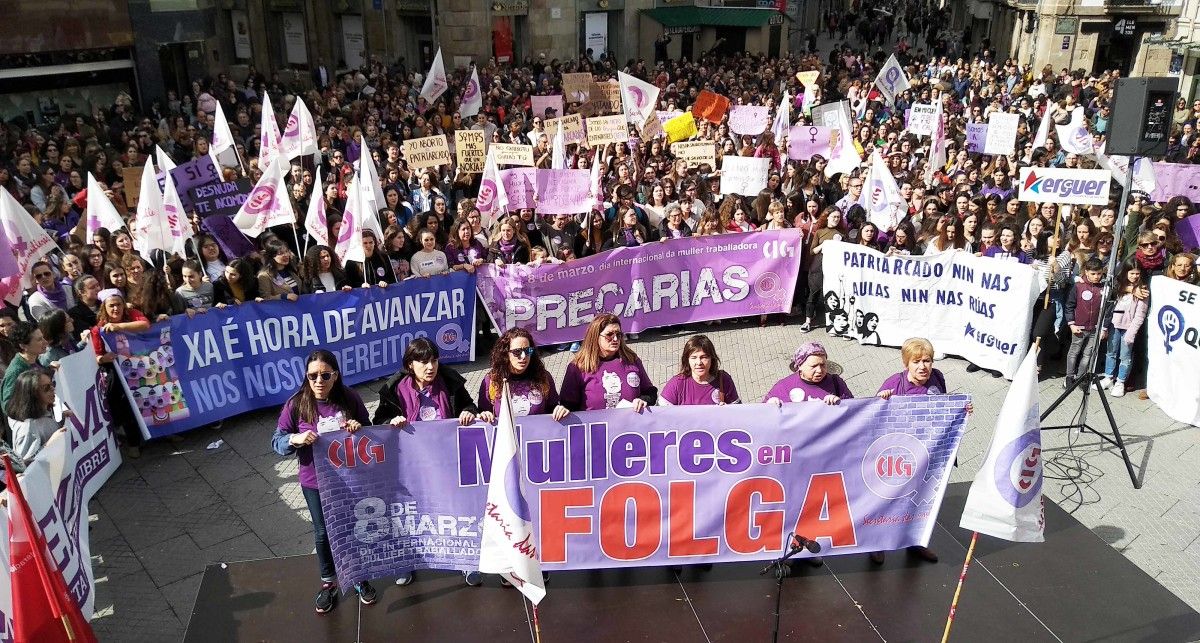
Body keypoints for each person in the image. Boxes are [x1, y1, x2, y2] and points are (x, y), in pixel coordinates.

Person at [271, 350, 378, 613]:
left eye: (325, 375)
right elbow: (277, 441)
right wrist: (294, 439)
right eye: (313, 376)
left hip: (348, 479)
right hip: (314, 480)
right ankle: (328, 582)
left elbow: (369, 429)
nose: (319, 381)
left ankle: (357, 576)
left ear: (336, 376)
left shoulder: (349, 397)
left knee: (352, 525)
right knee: (322, 532)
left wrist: (358, 427)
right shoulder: (296, 404)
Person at [372, 338, 481, 587]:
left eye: (433, 359)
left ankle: (466, 563)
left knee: (456, 511)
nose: (430, 366)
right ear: (410, 364)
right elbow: (378, 420)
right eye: (423, 361)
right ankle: (406, 562)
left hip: (447, 464)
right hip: (410, 467)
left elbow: (468, 404)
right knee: (410, 515)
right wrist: (392, 419)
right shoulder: (394, 389)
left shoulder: (450, 382)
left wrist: (468, 412)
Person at [872, 337, 969, 564]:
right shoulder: (894, 383)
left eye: (927, 360)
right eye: (917, 361)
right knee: (891, 499)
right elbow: (875, 417)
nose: (923, 366)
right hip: (901, 455)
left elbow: (944, 406)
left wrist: (961, 409)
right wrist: (881, 399)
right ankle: (877, 544)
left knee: (922, 500)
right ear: (907, 363)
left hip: (928, 453)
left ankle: (915, 541)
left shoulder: (938, 378)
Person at [90, 288, 151, 456]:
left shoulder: (132, 314)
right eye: (111, 306)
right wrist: (103, 358)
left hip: (140, 366)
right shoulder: (98, 330)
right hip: (116, 373)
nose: (115, 309)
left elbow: (145, 324)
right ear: (104, 308)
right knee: (125, 406)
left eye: (118, 305)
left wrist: (119, 326)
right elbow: (96, 356)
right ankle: (133, 443)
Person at [560, 313, 657, 412]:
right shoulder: (578, 367)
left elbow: (650, 392)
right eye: (609, 335)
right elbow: (567, 405)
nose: (615, 339)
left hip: (630, 425)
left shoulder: (631, 360)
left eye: (618, 335)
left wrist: (643, 400)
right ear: (595, 337)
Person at [476, 328, 569, 421]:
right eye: (517, 352)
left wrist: (559, 409)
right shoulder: (492, 380)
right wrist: (484, 415)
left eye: (528, 351)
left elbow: (553, 407)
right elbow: (483, 412)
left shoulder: (543, 377)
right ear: (505, 353)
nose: (523, 356)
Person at [1100, 262, 1147, 398]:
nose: (1134, 276)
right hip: (1114, 325)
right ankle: (1108, 377)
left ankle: (1120, 382)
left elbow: (1140, 315)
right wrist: (1108, 324)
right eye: (1131, 273)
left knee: (1125, 357)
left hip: (1128, 328)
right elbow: (1115, 305)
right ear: (1125, 273)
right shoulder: (1120, 287)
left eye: (1137, 273)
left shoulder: (1142, 290)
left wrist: (1132, 332)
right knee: (1111, 352)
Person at [7, 368, 66, 465]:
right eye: (46, 388)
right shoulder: (27, 428)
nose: (52, 389)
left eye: (52, 384)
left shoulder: (46, 410)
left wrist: (63, 418)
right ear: (32, 394)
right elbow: (25, 466)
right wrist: (49, 445)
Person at [659, 335, 740, 405]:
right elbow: (660, 414)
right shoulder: (677, 383)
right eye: (694, 357)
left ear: (712, 358)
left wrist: (728, 411)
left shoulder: (724, 380)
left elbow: (738, 414)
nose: (699, 362)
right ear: (687, 360)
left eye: (704, 357)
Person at [764, 342, 852, 405]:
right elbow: (761, 413)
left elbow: (854, 409)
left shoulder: (836, 383)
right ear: (799, 366)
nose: (820, 370)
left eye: (823, 365)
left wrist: (840, 403)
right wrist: (770, 405)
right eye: (813, 366)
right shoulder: (784, 386)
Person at [1065, 257, 1107, 388]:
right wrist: (1071, 324)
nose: (1096, 277)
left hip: (1095, 328)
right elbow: (1069, 306)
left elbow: (1107, 309)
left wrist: (1103, 328)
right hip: (1079, 327)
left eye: (1099, 273)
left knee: (1088, 354)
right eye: (1093, 274)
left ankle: (1081, 377)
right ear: (1086, 272)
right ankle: (1069, 377)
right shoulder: (1078, 286)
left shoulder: (1104, 288)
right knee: (1074, 352)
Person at [1, 322, 49, 411]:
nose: (45, 342)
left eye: (43, 337)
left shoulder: (34, 359)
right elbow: (7, 406)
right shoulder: (16, 371)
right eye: (39, 340)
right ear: (23, 346)